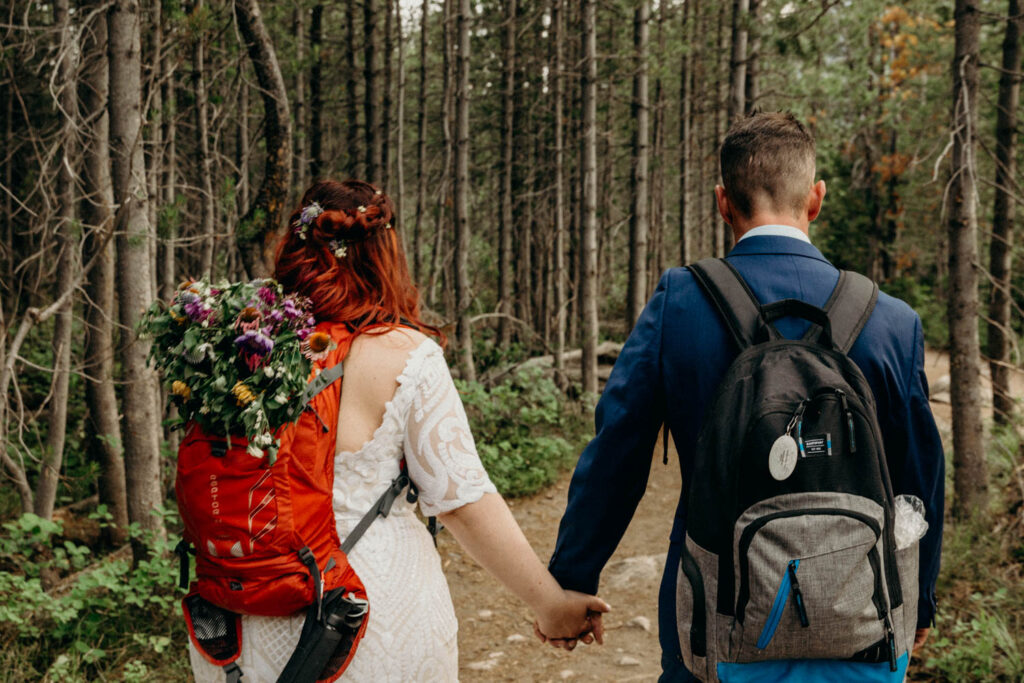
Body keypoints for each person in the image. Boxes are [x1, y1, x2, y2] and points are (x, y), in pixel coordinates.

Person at [542, 112, 944, 680]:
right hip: (862, 621)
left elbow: (617, 454)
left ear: (722, 202)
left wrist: (572, 578)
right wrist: (921, 597)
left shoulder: (678, 306)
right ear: (816, 199)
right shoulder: (892, 322)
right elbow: (920, 478)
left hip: (715, 621)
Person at [188, 179, 607, 682]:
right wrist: (551, 604)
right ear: (386, 255)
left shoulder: (243, 349)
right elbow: (461, 503)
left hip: (238, 624)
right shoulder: (405, 353)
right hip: (360, 615)